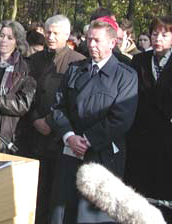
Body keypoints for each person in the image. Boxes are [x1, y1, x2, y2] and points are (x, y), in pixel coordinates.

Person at [46, 17, 138, 224]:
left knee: (92, 216)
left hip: (102, 156)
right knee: (62, 213)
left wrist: (87, 140)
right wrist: (69, 137)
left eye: (97, 40)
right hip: (69, 152)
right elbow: (58, 107)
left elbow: (121, 118)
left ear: (112, 43)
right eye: (89, 39)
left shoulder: (126, 76)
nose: (91, 45)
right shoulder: (75, 69)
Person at [18, 14, 85, 224]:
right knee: (33, 191)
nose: (51, 36)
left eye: (56, 33)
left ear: (67, 34)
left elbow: (74, 102)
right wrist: (36, 118)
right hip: (33, 133)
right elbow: (26, 93)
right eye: (48, 32)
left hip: (59, 138)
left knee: (55, 194)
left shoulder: (78, 62)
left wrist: (50, 121)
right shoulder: (34, 60)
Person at [125, 16, 172, 222]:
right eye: (154, 34)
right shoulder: (140, 61)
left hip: (167, 138)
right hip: (141, 136)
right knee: (140, 193)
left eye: (164, 34)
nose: (158, 38)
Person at [0, 20, 36, 152]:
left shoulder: (25, 68)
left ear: (17, 41)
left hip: (7, 132)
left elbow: (24, 103)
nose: (4, 40)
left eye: (10, 37)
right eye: (2, 36)